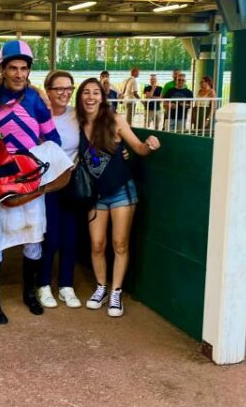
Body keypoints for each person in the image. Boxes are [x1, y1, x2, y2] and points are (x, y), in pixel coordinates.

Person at [0, 40, 65, 324]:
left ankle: (29, 294)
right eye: (12, 68)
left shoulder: (37, 100)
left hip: (29, 182)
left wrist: (33, 163)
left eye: (23, 68)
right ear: (2, 69)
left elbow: (54, 139)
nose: (18, 74)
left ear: (29, 70)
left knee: (33, 238)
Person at [75, 78, 160, 318]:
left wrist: (150, 145)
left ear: (102, 97)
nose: (91, 97)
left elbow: (139, 149)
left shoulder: (115, 120)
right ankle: (101, 287)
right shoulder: (76, 123)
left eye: (96, 92)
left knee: (119, 243)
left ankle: (116, 291)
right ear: (79, 97)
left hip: (122, 191)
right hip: (94, 195)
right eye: (86, 92)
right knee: (97, 244)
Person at [36, 70, 82, 309]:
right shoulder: (39, 116)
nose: (65, 93)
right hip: (47, 184)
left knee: (70, 236)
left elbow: (94, 142)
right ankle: (43, 284)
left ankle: (66, 285)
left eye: (69, 88)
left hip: (72, 182)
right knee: (50, 236)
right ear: (48, 91)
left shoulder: (78, 115)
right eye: (59, 88)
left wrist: (120, 149)